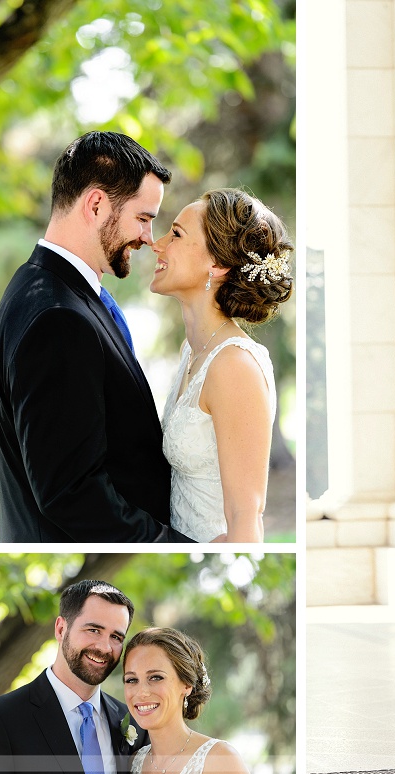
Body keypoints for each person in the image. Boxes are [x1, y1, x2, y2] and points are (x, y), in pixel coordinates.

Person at [0, 131, 192, 542]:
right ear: (96, 204)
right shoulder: (57, 317)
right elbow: (72, 492)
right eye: (144, 218)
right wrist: (167, 543)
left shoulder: (40, 289)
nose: (149, 239)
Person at [150, 188, 293, 542]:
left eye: (177, 234)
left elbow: (245, 521)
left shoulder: (235, 366)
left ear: (217, 264)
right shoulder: (192, 351)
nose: (158, 244)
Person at [0, 580, 147, 774]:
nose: (104, 647)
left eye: (116, 637)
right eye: (93, 630)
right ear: (61, 629)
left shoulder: (135, 723)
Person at [122, 627, 252, 774]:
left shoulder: (220, 761)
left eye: (156, 677)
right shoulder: (133, 764)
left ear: (186, 684)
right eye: (132, 680)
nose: (142, 692)